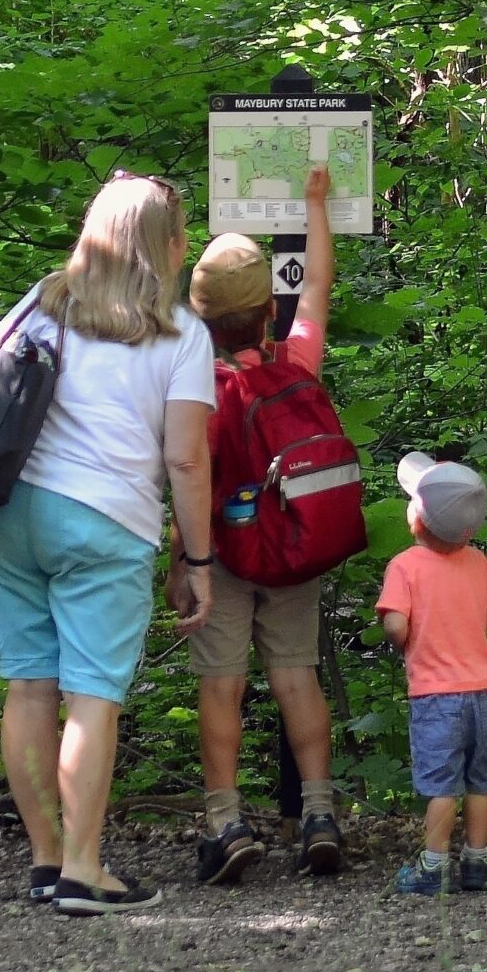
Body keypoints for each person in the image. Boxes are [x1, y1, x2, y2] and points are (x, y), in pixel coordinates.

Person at [0, 172, 218, 916]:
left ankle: (47, 860)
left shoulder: (40, 305)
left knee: (27, 685)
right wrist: (198, 560)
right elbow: (185, 459)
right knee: (92, 697)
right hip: (102, 522)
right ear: (167, 246)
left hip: (9, 512)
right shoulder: (181, 334)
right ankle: (85, 871)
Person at [183, 166, 344, 883]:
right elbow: (316, 285)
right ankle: (318, 813)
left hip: (223, 551)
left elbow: (191, 473)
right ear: (267, 314)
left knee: (221, 685)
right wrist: (314, 206)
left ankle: (226, 818)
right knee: (296, 677)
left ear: (201, 318)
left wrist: (181, 561)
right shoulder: (297, 359)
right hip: (295, 544)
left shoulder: (197, 387)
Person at [375, 451, 487, 896]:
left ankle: (433, 867)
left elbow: (395, 623)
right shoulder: (478, 562)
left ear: (417, 518)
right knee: (480, 783)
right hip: (485, 692)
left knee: (442, 785)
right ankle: (476, 862)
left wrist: (403, 634)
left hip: (436, 696)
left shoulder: (404, 566)